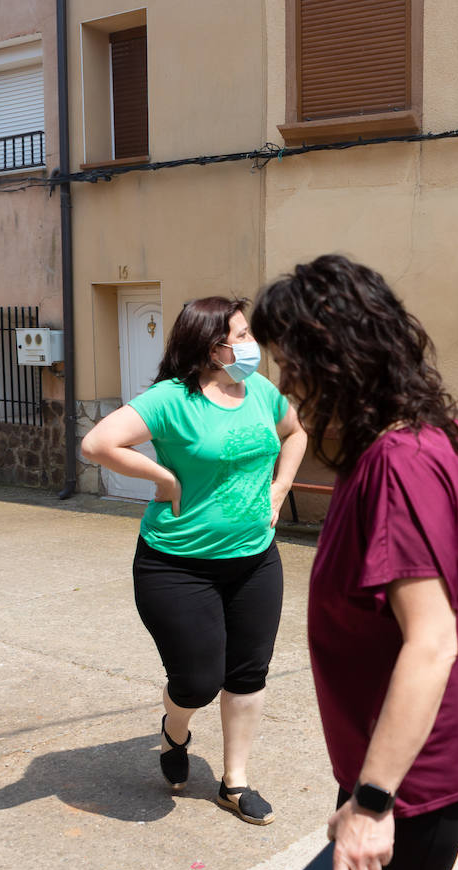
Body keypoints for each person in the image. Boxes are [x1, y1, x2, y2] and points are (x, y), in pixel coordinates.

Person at [251, 254, 458, 870]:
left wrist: (371, 803)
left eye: (292, 367)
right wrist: (447, 544)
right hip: (406, 741)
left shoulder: (396, 467)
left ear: (336, 362)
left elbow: (431, 643)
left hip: (418, 765)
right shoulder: (420, 432)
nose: (288, 387)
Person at [80, 297, 307, 824]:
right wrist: (164, 479)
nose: (252, 346)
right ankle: (174, 731)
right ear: (211, 346)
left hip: (254, 560)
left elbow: (295, 433)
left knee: (248, 674)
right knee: (198, 682)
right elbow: (98, 442)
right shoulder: (171, 400)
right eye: (242, 336)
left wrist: (279, 491)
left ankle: (235, 782)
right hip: (176, 564)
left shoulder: (260, 393)